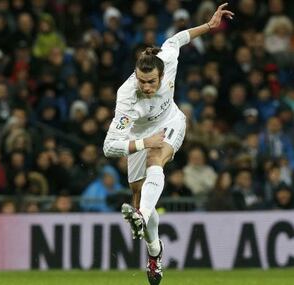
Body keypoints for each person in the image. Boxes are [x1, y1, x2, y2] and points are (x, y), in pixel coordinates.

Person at [103, 4, 233, 285]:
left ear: (162, 76)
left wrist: (209, 26)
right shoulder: (126, 97)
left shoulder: (168, 59)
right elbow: (109, 147)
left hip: (171, 122)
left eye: (150, 82)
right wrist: (141, 142)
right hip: (141, 134)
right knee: (138, 192)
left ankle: (142, 213)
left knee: (156, 159)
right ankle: (154, 250)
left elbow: (177, 39)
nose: (145, 86)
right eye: (141, 80)